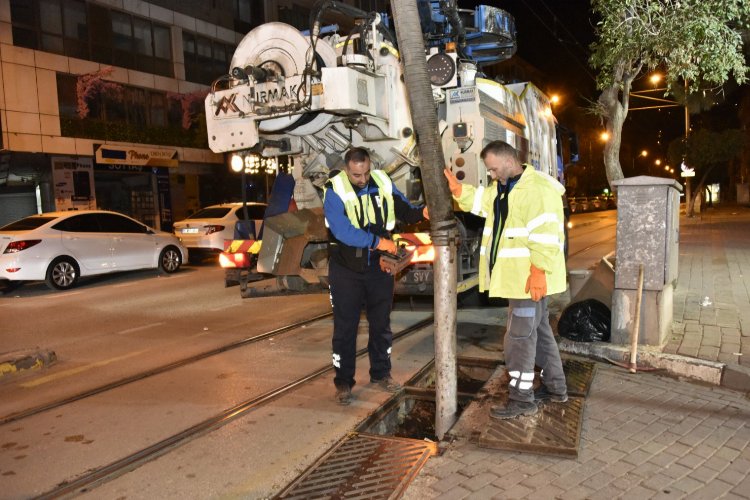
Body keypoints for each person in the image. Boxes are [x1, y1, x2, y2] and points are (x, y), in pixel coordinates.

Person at [444, 140, 568, 419]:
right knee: (541, 334)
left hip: (528, 280)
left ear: (509, 162)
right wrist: (458, 191)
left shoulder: (537, 189)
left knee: (519, 340)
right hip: (520, 280)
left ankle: (522, 399)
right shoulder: (505, 188)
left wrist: (538, 273)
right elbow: (481, 202)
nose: (491, 174)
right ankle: (556, 388)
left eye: (493, 169)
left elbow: (547, 236)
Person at [324, 147, 428, 405]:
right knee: (345, 328)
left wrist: (423, 213)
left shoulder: (381, 180)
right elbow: (343, 231)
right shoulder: (334, 189)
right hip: (346, 269)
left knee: (381, 324)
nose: (362, 179)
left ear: (370, 166)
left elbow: (403, 209)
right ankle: (344, 383)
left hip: (378, 269)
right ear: (347, 169)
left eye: (366, 172)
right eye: (357, 175)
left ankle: (381, 374)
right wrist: (381, 243)